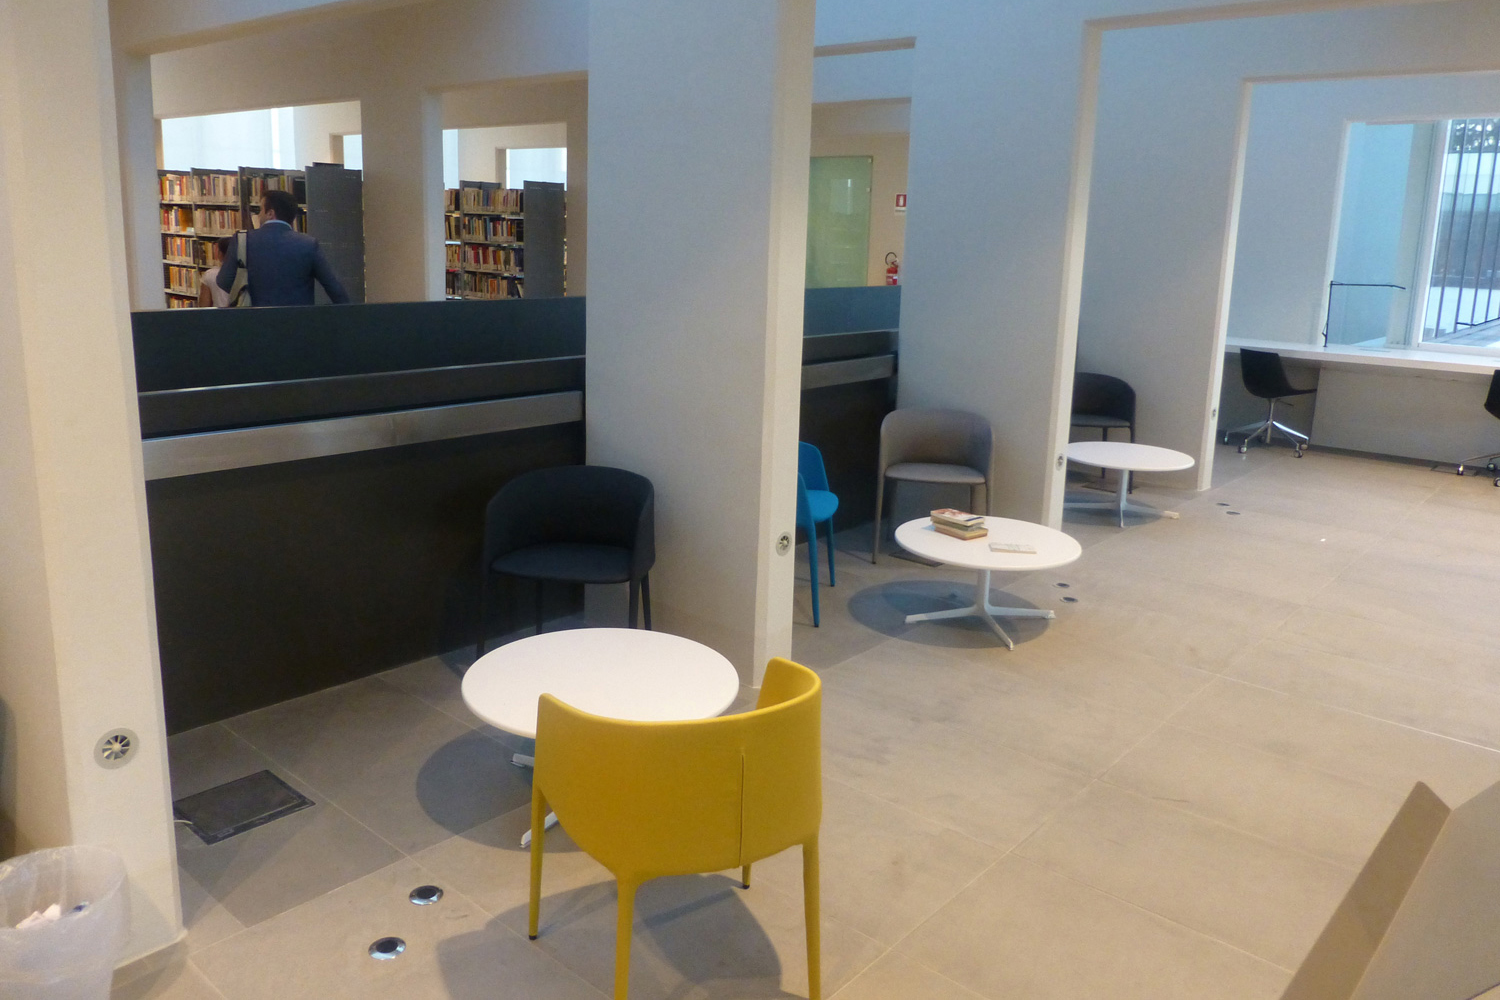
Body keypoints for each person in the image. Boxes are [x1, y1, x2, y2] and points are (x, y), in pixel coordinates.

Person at [216, 188, 350, 306]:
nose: (258, 215)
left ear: (270, 213)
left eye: (261, 210)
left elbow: (224, 281)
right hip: (297, 319)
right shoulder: (308, 244)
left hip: (255, 317)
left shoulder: (242, 240)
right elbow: (333, 286)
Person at [196, 236, 234, 308]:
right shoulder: (246, 274)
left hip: (219, 314)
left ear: (220, 254)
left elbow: (204, 306)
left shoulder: (210, 275)